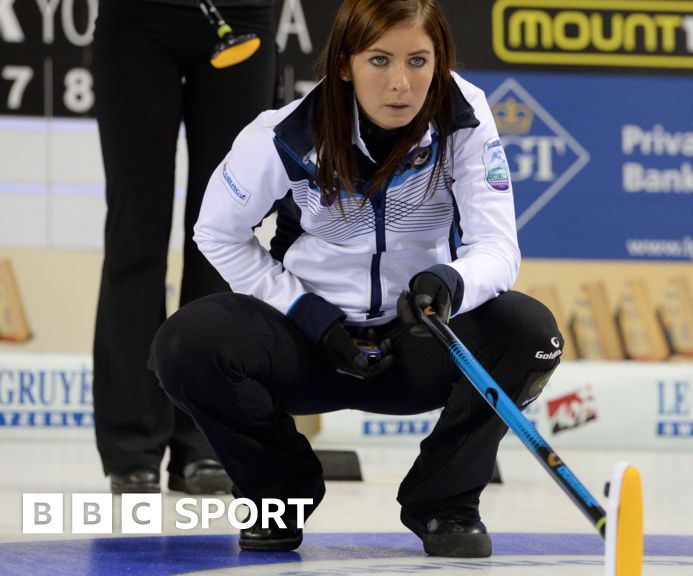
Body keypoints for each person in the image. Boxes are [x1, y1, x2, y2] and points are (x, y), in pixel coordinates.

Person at [148, 0, 564, 557]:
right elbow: (216, 233)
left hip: (419, 341)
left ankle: (444, 502)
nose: (401, 83)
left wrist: (449, 282)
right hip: (310, 346)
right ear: (344, 64)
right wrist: (309, 315)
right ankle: (280, 494)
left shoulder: (465, 116)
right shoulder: (285, 134)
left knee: (530, 332)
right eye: (379, 60)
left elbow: (497, 247)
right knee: (186, 342)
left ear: (439, 62)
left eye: (419, 61)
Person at [91, 0, 276, 495]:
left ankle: (205, 436)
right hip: (139, 19)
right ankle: (131, 443)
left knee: (223, 232)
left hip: (243, 16)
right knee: (135, 233)